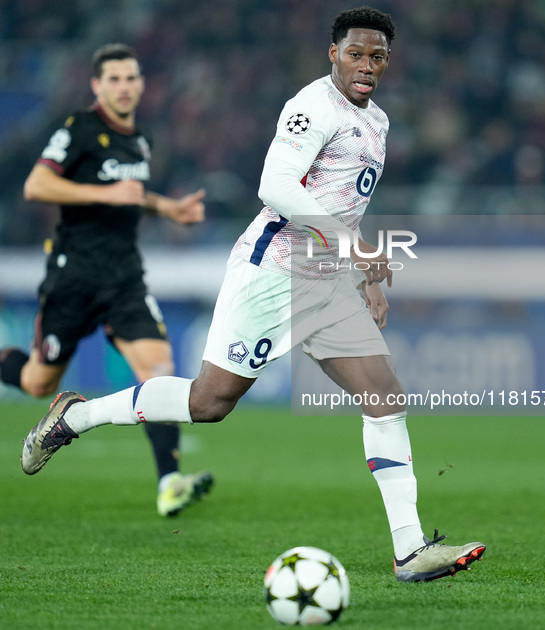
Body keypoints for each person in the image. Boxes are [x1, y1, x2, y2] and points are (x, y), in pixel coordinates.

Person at [20, 9, 486, 581]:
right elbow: (276, 185)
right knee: (209, 403)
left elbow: (345, 204)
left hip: (328, 278)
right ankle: (77, 416)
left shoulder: (379, 122)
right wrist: (354, 247)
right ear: (333, 54)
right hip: (274, 273)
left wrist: (362, 274)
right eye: (357, 54)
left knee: (385, 393)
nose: (367, 65)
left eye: (378, 56)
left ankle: (410, 550)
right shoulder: (311, 106)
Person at [1, 43, 214, 517]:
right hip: (74, 276)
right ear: (97, 86)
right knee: (38, 381)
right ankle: (49, 404)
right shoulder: (78, 129)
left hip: (124, 279)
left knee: (159, 370)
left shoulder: (141, 140)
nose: (123, 87)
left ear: (141, 85)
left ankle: (169, 484)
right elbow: (37, 185)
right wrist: (105, 191)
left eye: (131, 78)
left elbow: (130, 194)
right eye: (113, 79)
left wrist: (167, 207)